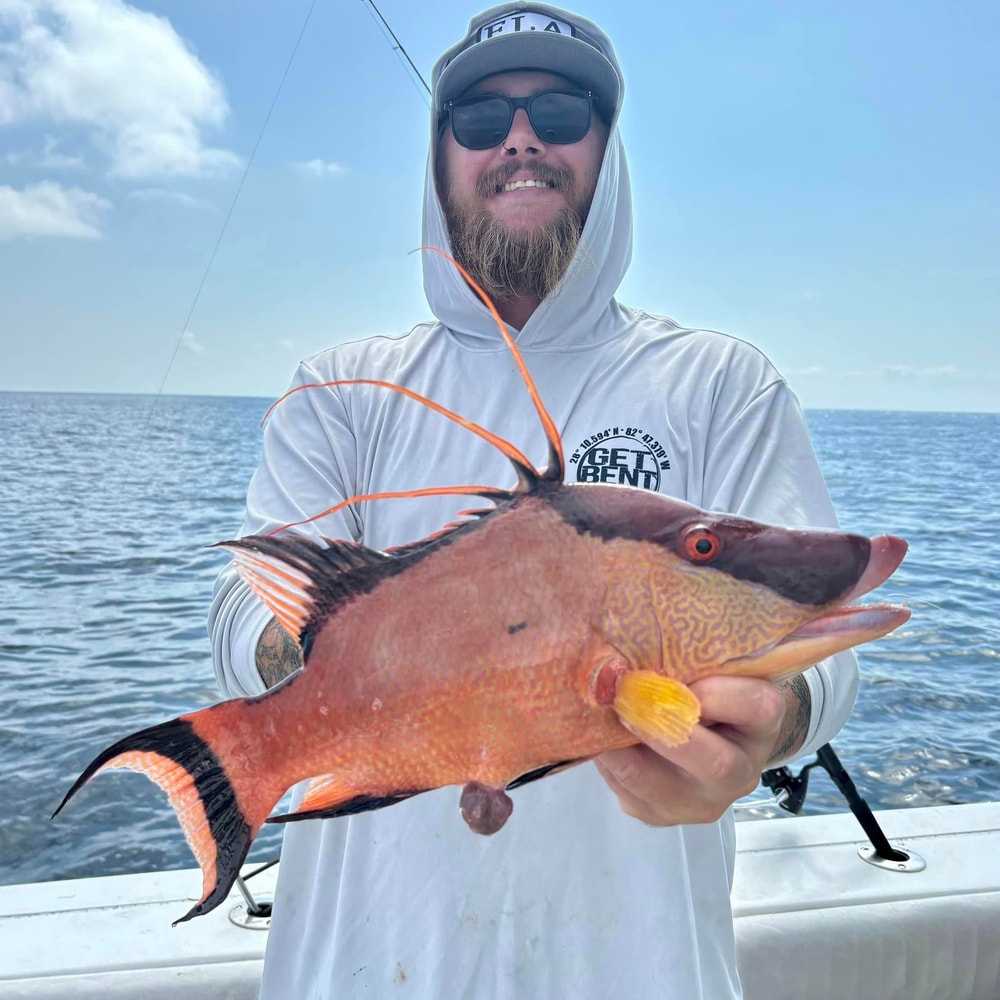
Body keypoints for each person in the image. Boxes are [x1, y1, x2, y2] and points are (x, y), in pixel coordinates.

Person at [209, 4, 858, 997]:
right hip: (359, 966)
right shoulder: (341, 386)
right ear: (440, 159)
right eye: (479, 117)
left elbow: (823, 652)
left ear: (608, 152)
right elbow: (240, 621)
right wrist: (404, 662)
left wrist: (766, 726)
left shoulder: (719, 382)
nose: (520, 137)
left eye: (561, 111)